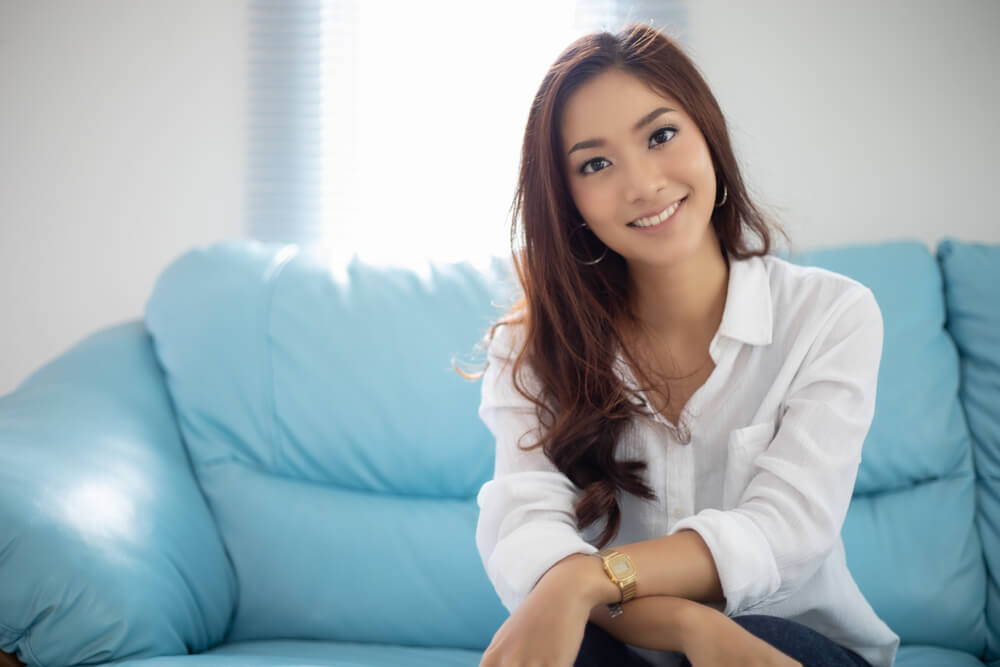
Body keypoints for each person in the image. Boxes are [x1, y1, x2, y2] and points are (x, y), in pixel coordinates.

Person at [472, 23, 900, 667]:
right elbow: (523, 527)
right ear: (569, 202)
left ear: (708, 135)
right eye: (596, 163)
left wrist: (585, 578)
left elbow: (785, 532)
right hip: (620, 648)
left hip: (786, 643)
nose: (642, 184)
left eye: (661, 135)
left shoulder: (832, 316)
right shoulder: (528, 347)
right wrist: (685, 626)